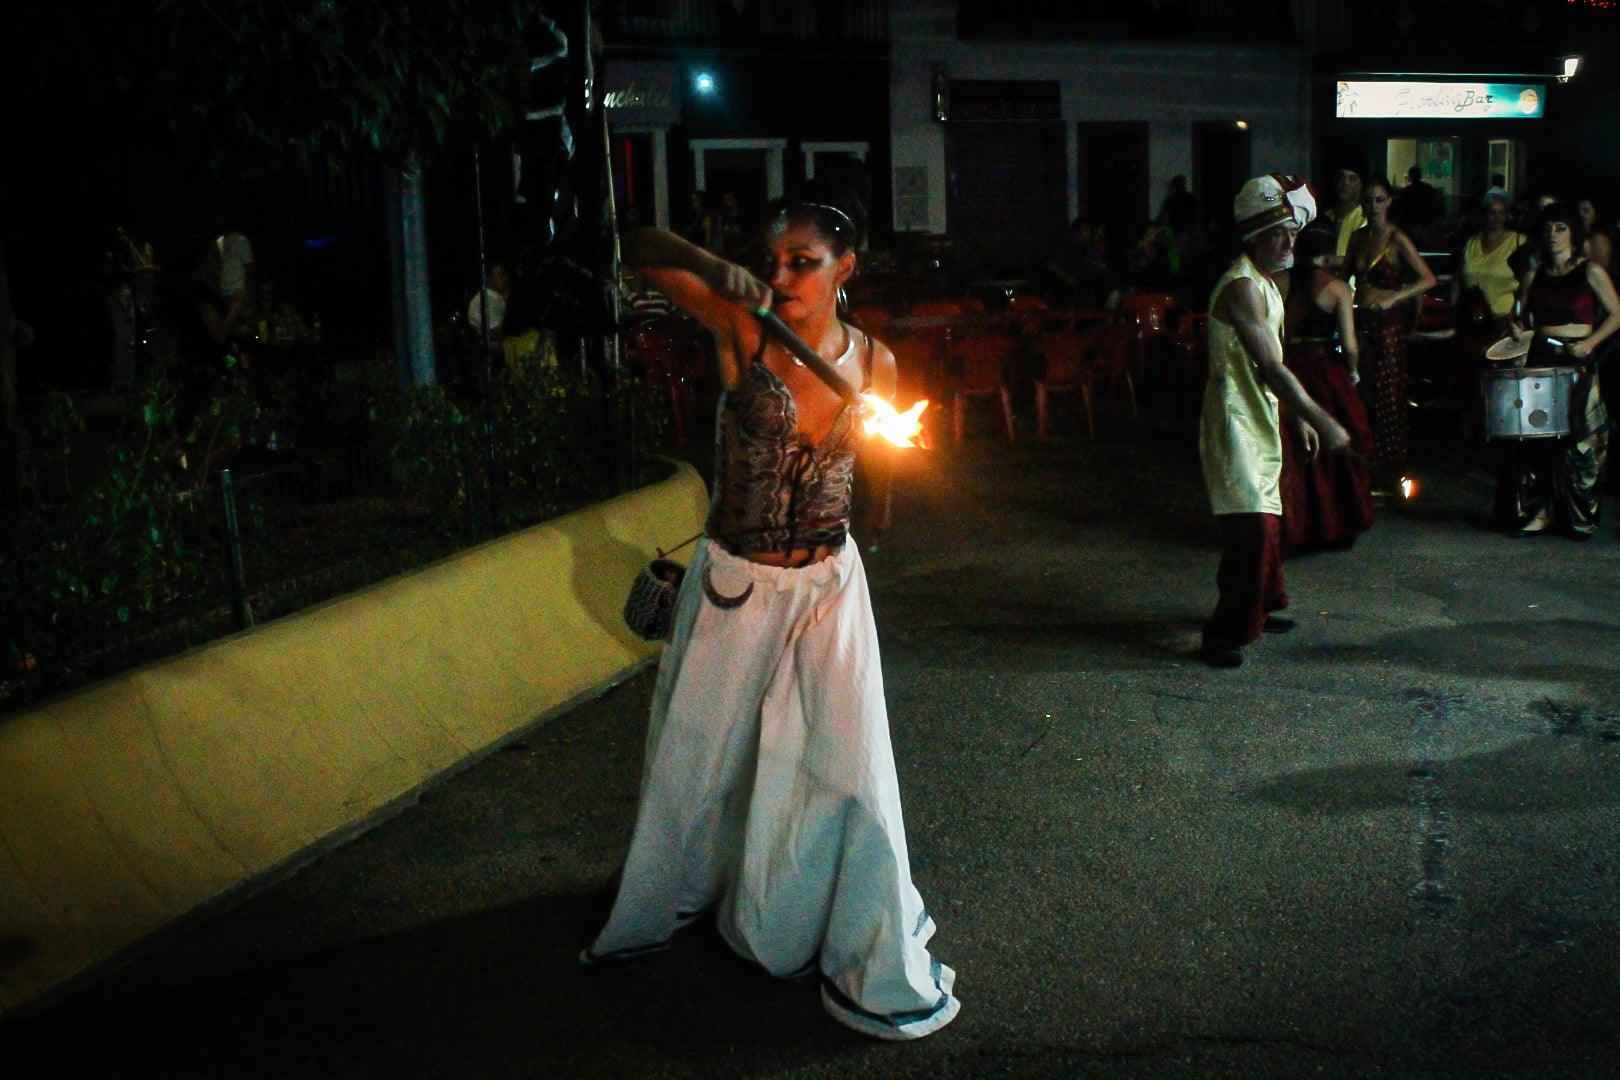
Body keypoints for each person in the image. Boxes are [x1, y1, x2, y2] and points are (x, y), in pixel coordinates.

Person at [583, 200, 960, 1040]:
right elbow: (642, 248)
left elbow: (876, 470)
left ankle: (829, 915)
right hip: (736, 585)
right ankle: (678, 895)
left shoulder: (878, 363)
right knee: (701, 756)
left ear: (846, 267)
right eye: (774, 260)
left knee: (845, 764)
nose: (784, 276)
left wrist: (883, 441)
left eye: (803, 261)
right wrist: (727, 273)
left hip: (829, 585)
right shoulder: (742, 330)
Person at [1199, 175, 1350, 668]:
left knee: (1269, 520)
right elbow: (1271, 366)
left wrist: (1295, 417)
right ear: (1254, 236)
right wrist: (1321, 418)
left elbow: (1272, 366)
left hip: (1258, 414)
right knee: (1255, 528)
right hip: (1234, 421)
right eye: (1277, 233)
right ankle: (1226, 633)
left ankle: (1262, 604)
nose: (1289, 242)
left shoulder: (1265, 283)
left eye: (1293, 231)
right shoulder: (1243, 287)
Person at [1497, 202, 1620, 539]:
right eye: (1548, 228)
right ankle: (1538, 513)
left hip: (1576, 359)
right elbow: (1518, 315)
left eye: (1561, 228)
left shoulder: (1591, 271)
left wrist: (1591, 342)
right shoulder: (1533, 276)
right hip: (1541, 359)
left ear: (1573, 235)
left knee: (1580, 444)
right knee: (1537, 441)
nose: (1553, 235)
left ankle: (1578, 516)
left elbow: (1616, 314)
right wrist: (1514, 326)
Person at [1280, 227, 1375, 552]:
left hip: (1290, 367)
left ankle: (1296, 526)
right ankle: (1335, 527)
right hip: (1323, 371)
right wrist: (1352, 371)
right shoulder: (1336, 289)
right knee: (1337, 442)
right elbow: (1349, 346)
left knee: (1296, 449)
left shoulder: (1283, 284)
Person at [1345, 176, 1436, 490]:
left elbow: (1427, 278)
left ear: (1389, 202)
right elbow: (1345, 280)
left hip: (1388, 325)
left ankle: (1389, 469)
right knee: (1361, 393)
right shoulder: (1357, 237)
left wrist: (1394, 297)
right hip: (1360, 322)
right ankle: (1362, 466)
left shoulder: (1396, 238)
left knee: (1388, 395)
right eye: (1368, 199)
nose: (1373, 206)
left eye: (1379, 199)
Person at [1453, 193, 1527, 324]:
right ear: (1484, 215)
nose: (1496, 217)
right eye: (1492, 212)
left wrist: (1517, 315)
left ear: (1507, 215)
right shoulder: (1472, 241)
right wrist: (1453, 309)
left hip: (1504, 318)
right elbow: (1458, 278)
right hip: (1470, 318)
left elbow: (1528, 284)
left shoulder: (1519, 242)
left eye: (1501, 212)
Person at [1578, 196, 1613, 274]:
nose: (1580, 214)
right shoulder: (1577, 236)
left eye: (1586, 211)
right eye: (1578, 211)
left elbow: (1602, 269)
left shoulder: (1599, 239)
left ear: (1595, 214)